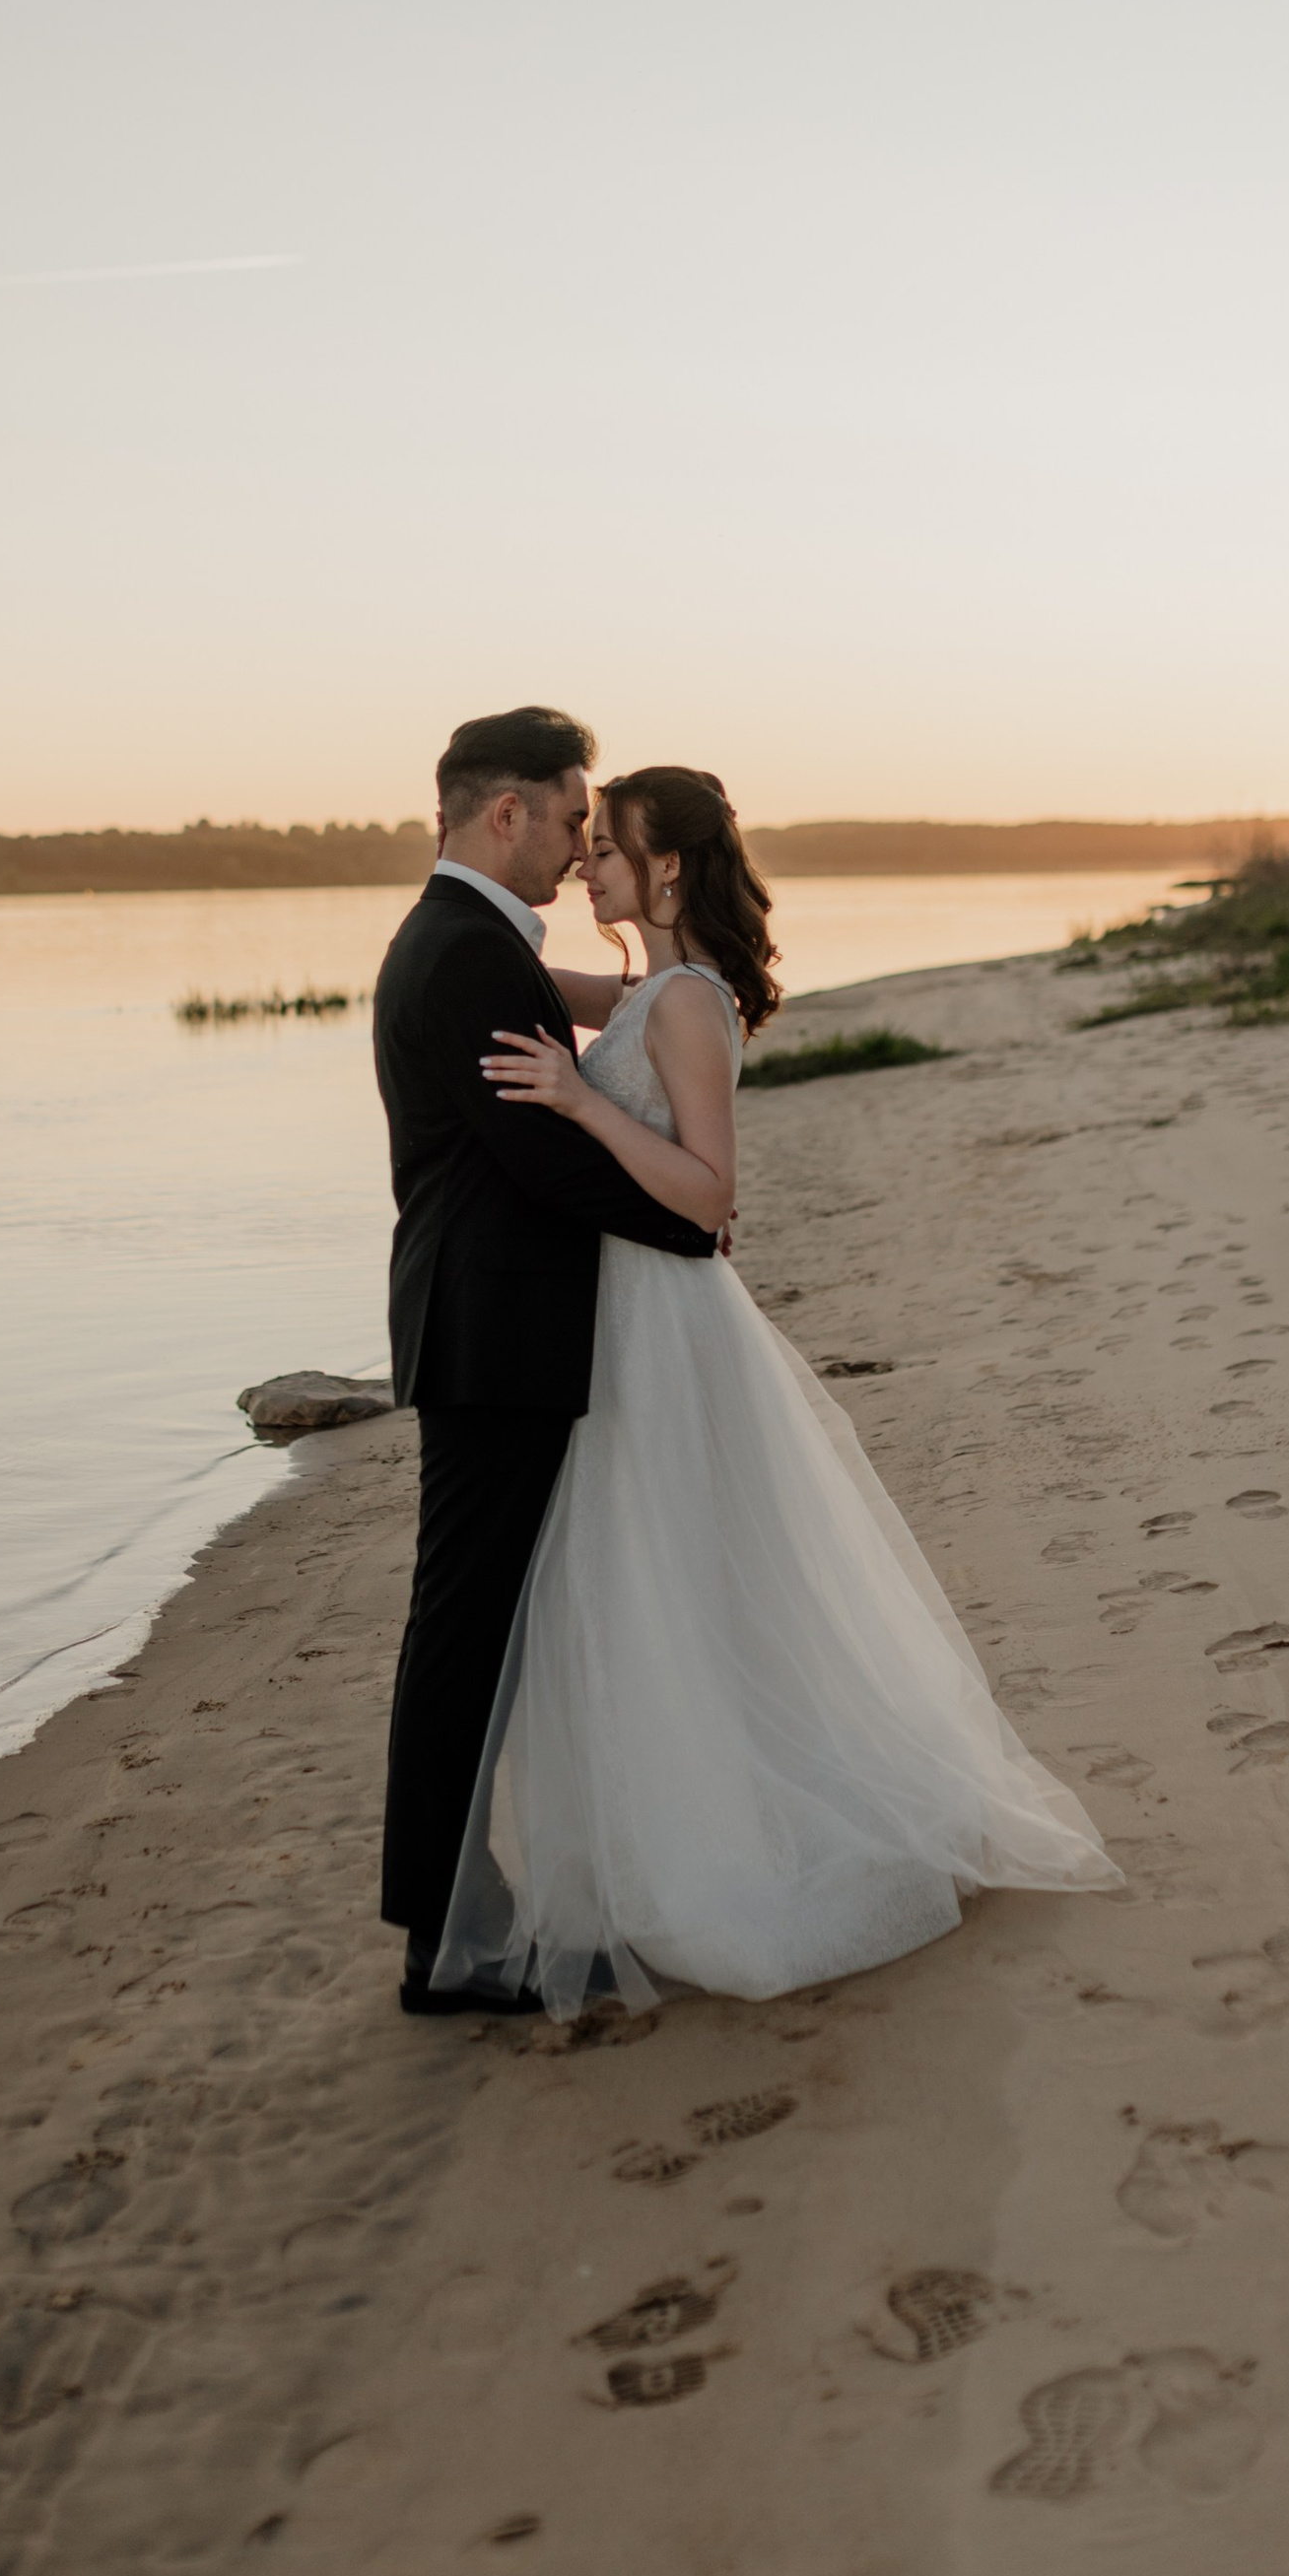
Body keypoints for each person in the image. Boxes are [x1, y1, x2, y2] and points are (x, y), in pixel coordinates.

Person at [431, 762, 1119, 2016]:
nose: (586, 862)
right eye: (580, 845)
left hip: (665, 1327)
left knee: (687, 1581)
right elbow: (521, 985)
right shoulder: (650, 988)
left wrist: (581, 1103)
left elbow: (707, 1197)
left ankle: (745, 1848)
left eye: (610, 848)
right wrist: (458, 929)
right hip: (625, 1323)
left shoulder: (686, 1005)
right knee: (656, 1586)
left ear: (668, 869)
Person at [371, 707, 720, 2015]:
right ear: (504, 808)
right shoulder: (465, 954)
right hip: (493, 1331)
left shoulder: (473, 941)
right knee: (466, 1629)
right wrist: (693, 1221)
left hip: (490, 1324)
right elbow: (537, 1155)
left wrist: (668, 997)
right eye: (573, 813)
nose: (582, 839)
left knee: (481, 1626)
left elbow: (612, 1014)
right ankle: (442, 1938)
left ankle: (473, 1911)